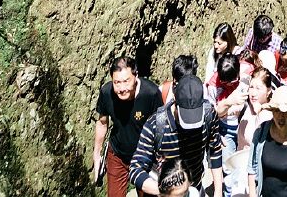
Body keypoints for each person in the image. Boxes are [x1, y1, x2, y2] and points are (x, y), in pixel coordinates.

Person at [129, 72, 223, 196]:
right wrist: (168, 192)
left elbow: (215, 150)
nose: (191, 128)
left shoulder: (209, 115)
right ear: (175, 102)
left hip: (194, 188)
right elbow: (136, 169)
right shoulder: (155, 125)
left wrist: (218, 191)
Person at [92, 54, 162, 197]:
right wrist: (97, 153)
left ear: (136, 76)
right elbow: (102, 122)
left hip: (145, 157)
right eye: (117, 82)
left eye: (126, 81)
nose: (121, 88)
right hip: (117, 154)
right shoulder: (106, 92)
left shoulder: (151, 93)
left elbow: (161, 128)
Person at [228, 69, 274, 197]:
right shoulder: (245, 107)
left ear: (269, 90)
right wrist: (228, 102)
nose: (253, 93)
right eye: (251, 87)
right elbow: (219, 113)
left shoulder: (270, 116)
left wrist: (259, 113)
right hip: (239, 173)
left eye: (258, 88)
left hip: (257, 175)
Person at [215, 53, 249, 195]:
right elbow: (212, 113)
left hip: (244, 126)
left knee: (244, 165)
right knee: (228, 166)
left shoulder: (247, 77)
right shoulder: (213, 84)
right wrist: (229, 101)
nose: (229, 85)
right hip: (224, 129)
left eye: (233, 81)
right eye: (225, 82)